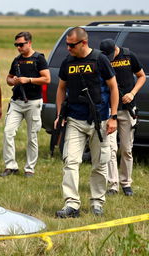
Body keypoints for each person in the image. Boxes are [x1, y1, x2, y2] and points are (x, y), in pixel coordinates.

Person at [55, 27, 119, 218]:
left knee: (100, 164)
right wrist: (60, 114)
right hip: (75, 119)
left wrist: (113, 117)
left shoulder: (100, 59)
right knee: (71, 161)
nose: (67, 48)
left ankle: (97, 203)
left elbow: (113, 88)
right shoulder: (67, 62)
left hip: (99, 120)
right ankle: (71, 205)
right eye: (66, 44)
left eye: (71, 45)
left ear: (83, 42)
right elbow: (60, 88)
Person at [0, 31, 50, 177]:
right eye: (16, 45)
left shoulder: (39, 59)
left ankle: (29, 168)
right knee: (8, 132)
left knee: (32, 136)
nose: (18, 48)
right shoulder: (16, 60)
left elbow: (46, 79)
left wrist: (28, 80)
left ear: (29, 43)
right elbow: (8, 79)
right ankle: (10, 166)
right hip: (16, 102)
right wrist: (13, 81)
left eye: (21, 44)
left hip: (33, 102)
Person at [100, 38, 146, 196]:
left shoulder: (128, 56)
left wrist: (132, 93)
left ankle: (126, 183)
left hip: (127, 110)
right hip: (109, 110)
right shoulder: (102, 59)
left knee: (126, 149)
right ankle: (113, 184)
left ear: (116, 48)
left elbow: (141, 76)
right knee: (111, 149)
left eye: (112, 54)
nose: (110, 58)